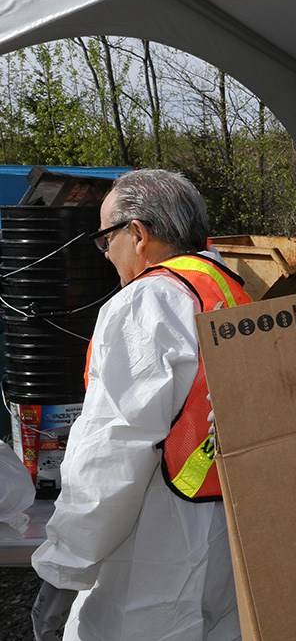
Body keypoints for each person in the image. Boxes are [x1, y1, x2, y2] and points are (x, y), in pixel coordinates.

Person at [31, 169, 250, 640]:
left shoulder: (145, 303)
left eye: (105, 238)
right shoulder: (233, 292)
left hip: (155, 545)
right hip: (229, 538)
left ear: (137, 233)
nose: (105, 253)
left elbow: (112, 451)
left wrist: (62, 566)